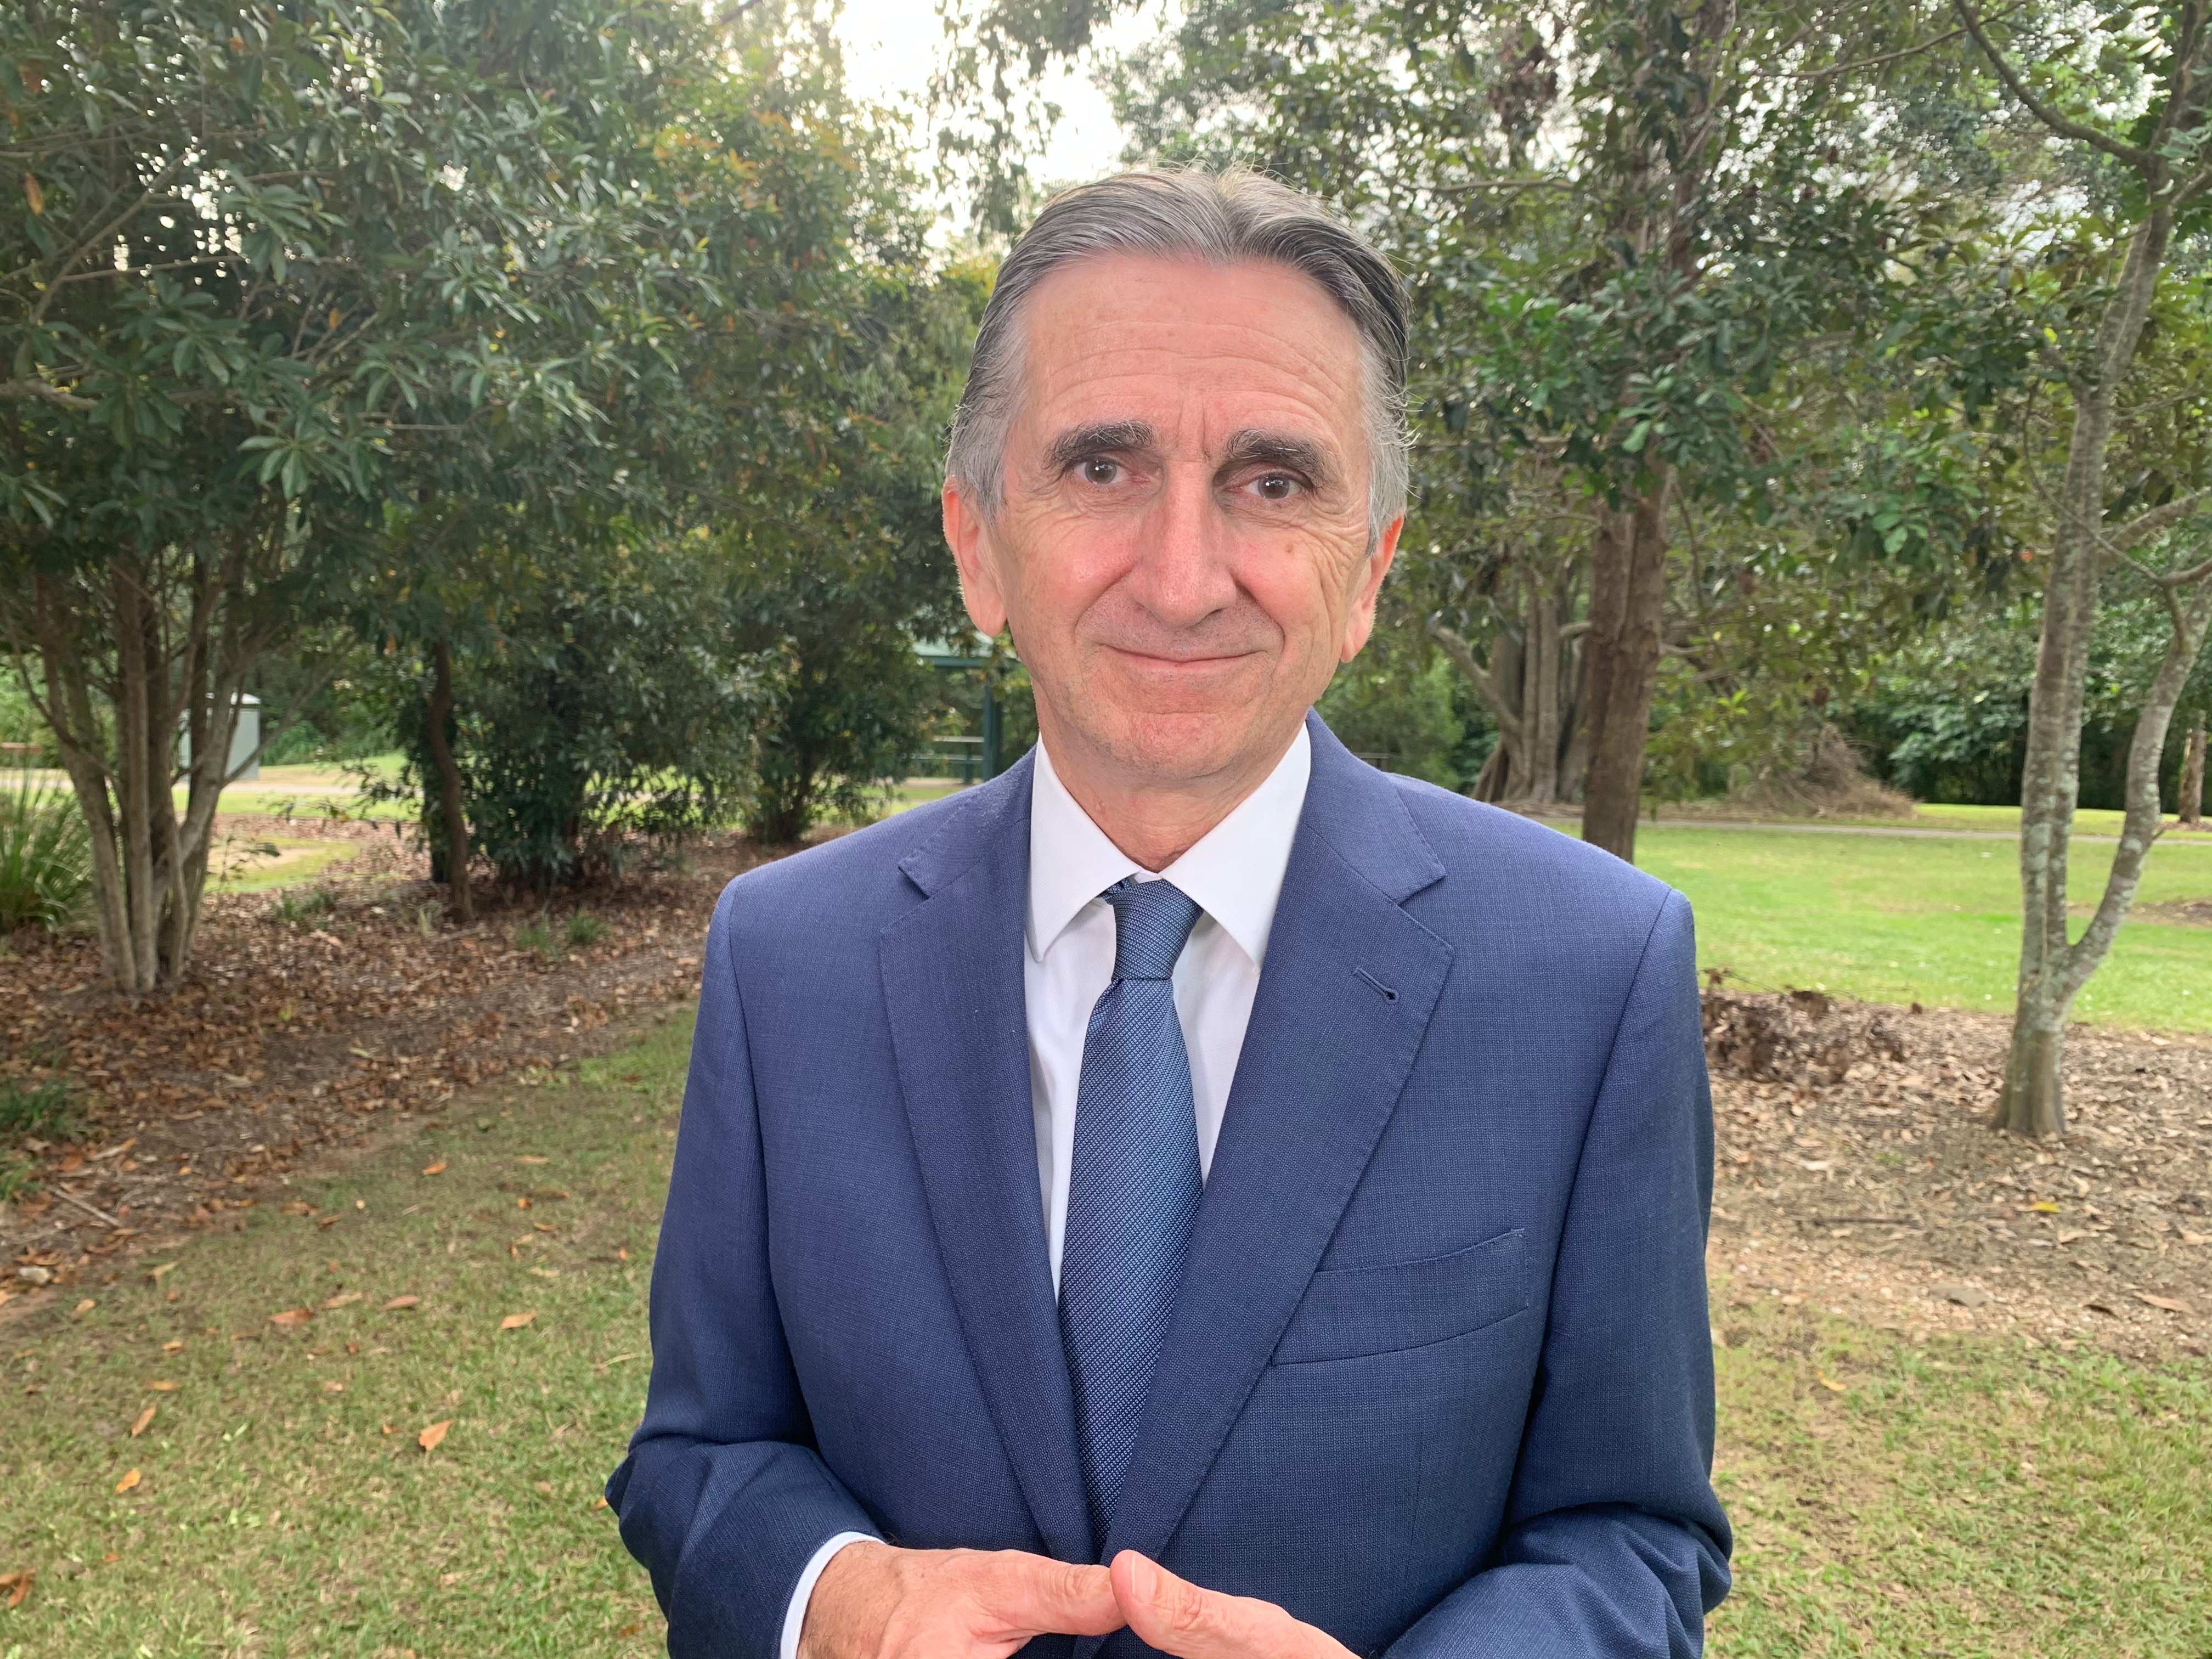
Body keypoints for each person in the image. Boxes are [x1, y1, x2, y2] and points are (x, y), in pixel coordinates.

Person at [608, 168, 1730, 1659]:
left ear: (1370, 573)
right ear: (977, 544)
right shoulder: (787, 957)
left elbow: (1632, 1531)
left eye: (1275, 482)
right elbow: (697, 1457)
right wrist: (850, 1609)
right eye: (1100, 468)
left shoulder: (1592, 972)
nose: (1186, 578)